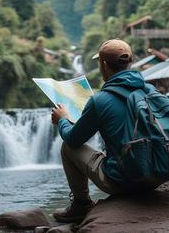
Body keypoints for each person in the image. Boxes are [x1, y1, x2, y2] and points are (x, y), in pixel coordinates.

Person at [51, 38, 149, 223]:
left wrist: (63, 120)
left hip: (124, 181)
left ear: (103, 65)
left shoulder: (100, 100)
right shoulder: (149, 90)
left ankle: (81, 205)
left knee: (67, 147)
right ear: (130, 63)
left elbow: (73, 140)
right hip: (155, 175)